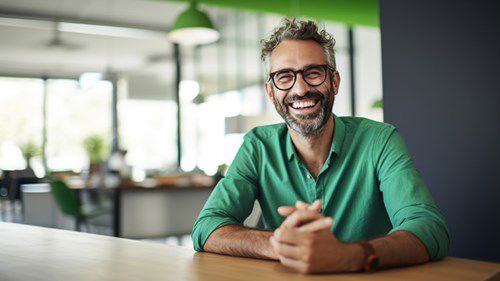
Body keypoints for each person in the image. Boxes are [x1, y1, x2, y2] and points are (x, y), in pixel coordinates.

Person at [192, 18, 449, 274]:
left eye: (313, 73)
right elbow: (207, 227)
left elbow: (428, 229)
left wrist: (347, 256)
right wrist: (283, 246)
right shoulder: (257, 147)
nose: (301, 89)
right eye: (284, 77)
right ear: (270, 93)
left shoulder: (380, 140)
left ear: (334, 82)